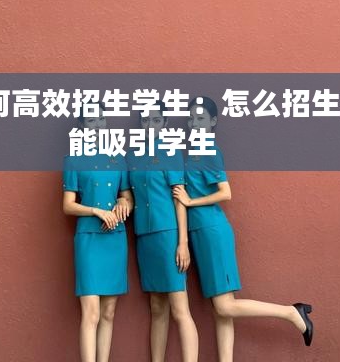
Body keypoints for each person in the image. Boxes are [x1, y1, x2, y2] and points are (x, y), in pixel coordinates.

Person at [172, 96, 314, 362]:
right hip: (199, 233)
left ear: (213, 121)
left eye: (201, 118)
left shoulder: (209, 150)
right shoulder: (194, 151)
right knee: (221, 309)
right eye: (192, 118)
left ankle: (291, 312)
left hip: (212, 232)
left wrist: (191, 201)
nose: (194, 123)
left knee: (224, 307)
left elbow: (225, 192)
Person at [126, 103, 199, 362]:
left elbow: (180, 199)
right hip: (144, 237)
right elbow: (129, 195)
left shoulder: (171, 152)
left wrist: (183, 243)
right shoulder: (132, 156)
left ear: (165, 123)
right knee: (157, 306)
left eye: (156, 120)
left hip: (168, 236)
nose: (150, 125)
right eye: (145, 120)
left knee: (180, 308)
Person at [62, 104, 133, 362]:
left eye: (101, 119)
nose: (97, 125)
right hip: (89, 239)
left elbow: (127, 197)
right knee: (91, 312)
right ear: (82, 126)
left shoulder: (118, 158)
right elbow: (68, 205)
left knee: (109, 312)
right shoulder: (73, 159)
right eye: (91, 120)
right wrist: (96, 211)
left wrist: (124, 203)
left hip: (115, 237)